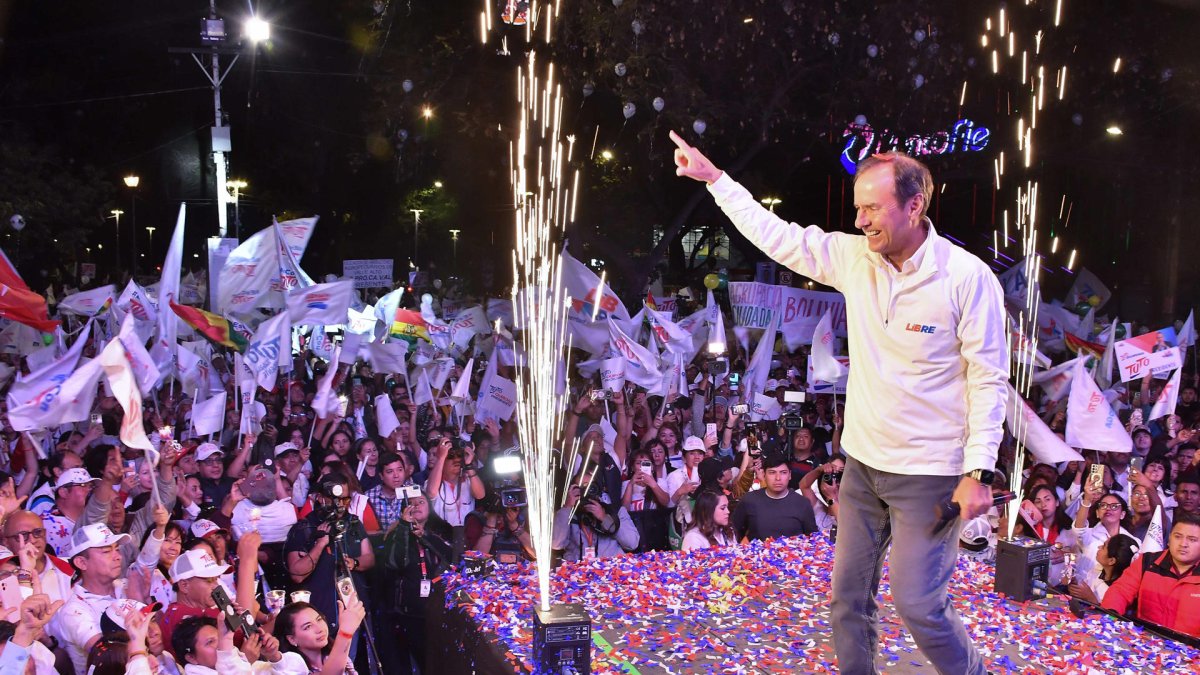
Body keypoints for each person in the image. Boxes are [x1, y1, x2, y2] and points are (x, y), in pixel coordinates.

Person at [673, 134, 1006, 674]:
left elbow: (989, 378)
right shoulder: (854, 259)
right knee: (847, 601)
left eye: (873, 208)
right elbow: (776, 237)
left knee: (919, 604)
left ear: (915, 205)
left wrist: (978, 470)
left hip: (929, 474)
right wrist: (716, 181)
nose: (860, 221)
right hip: (863, 468)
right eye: (858, 208)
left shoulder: (966, 280)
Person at [1102, 512, 1200, 638]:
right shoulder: (1147, 562)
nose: (1183, 544)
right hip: (1145, 642)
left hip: (1190, 651)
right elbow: (1120, 591)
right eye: (1178, 536)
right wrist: (1110, 616)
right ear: (1169, 539)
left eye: (1192, 539)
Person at [51, 523, 131, 674]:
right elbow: (108, 657)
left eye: (117, 549)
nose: (118, 556)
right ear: (82, 562)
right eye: (107, 551)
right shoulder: (74, 611)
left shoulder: (126, 587)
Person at [731, 453, 818, 541]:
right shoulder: (749, 500)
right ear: (764, 475)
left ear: (790, 475)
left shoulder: (802, 503)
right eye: (772, 473)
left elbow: (813, 539)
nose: (778, 478)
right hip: (758, 553)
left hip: (793, 553)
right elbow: (733, 532)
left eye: (783, 473)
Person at [274, 599, 366, 675]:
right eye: (308, 627)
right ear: (292, 639)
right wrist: (345, 633)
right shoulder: (291, 670)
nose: (319, 629)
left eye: (319, 619)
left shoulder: (332, 655)